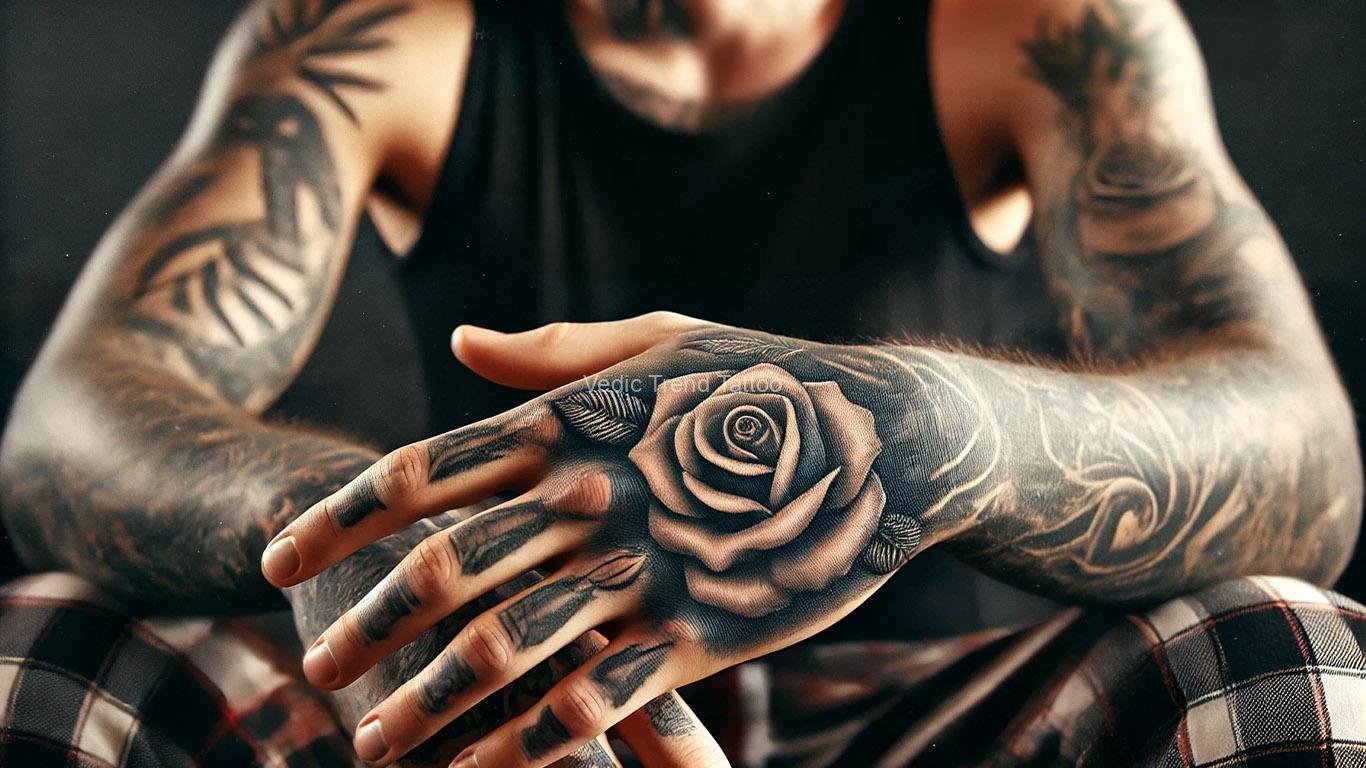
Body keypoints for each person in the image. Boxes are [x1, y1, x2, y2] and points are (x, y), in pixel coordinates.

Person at [1, 0, 1362, 766]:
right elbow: (80, 415)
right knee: (42, 651)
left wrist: (930, 431)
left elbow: (1302, 447)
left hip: (914, 713)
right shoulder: (377, 34)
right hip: (495, 706)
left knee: (1281, 651)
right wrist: (341, 528)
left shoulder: (1042, 29)